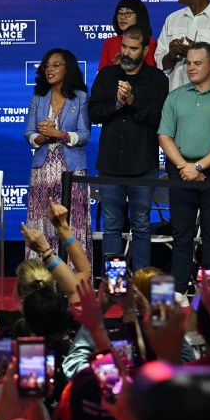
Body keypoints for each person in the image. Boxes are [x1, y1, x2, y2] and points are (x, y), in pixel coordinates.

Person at [158, 42, 210, 290]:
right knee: (182, 235)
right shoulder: (176, 96)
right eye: (189, 63)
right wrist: (185, 166)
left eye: (197, 63)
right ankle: (180, 290)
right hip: (180, 171)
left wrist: (199, 167)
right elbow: (164, 136)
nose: (191, 68)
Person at [88, 26, 169, 271]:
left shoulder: (157, 80)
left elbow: (159, 119)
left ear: (145, 50)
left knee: (141, 225)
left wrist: (132, 102)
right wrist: (116, 103)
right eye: (124, 46)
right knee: (111, 225)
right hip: (111, 164)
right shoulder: (106, 76)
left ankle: (142, 281)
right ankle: (114, 284)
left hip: (142, 163)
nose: (126, 52)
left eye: (133, 48)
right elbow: (93, 113)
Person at [23, 48, 91, 262]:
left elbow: (84, 135)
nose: (49, 70)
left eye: (55, 65)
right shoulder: (38, 97)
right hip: (42, 171)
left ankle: (73, 276)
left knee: (71, 223)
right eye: (46, 66)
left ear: (67, 68)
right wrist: (42, 136)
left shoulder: (80, 98)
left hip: (71, 170)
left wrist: (59, 134)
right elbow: (29, 133)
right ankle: (39, 279)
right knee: (42, 221)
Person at [99, 0, 158, 71]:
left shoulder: (151, 43)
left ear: (139, 16)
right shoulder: (109, 42)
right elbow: (101, 73)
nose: (122, 17)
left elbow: (151, 73)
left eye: (128, 13)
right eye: (120, 13)